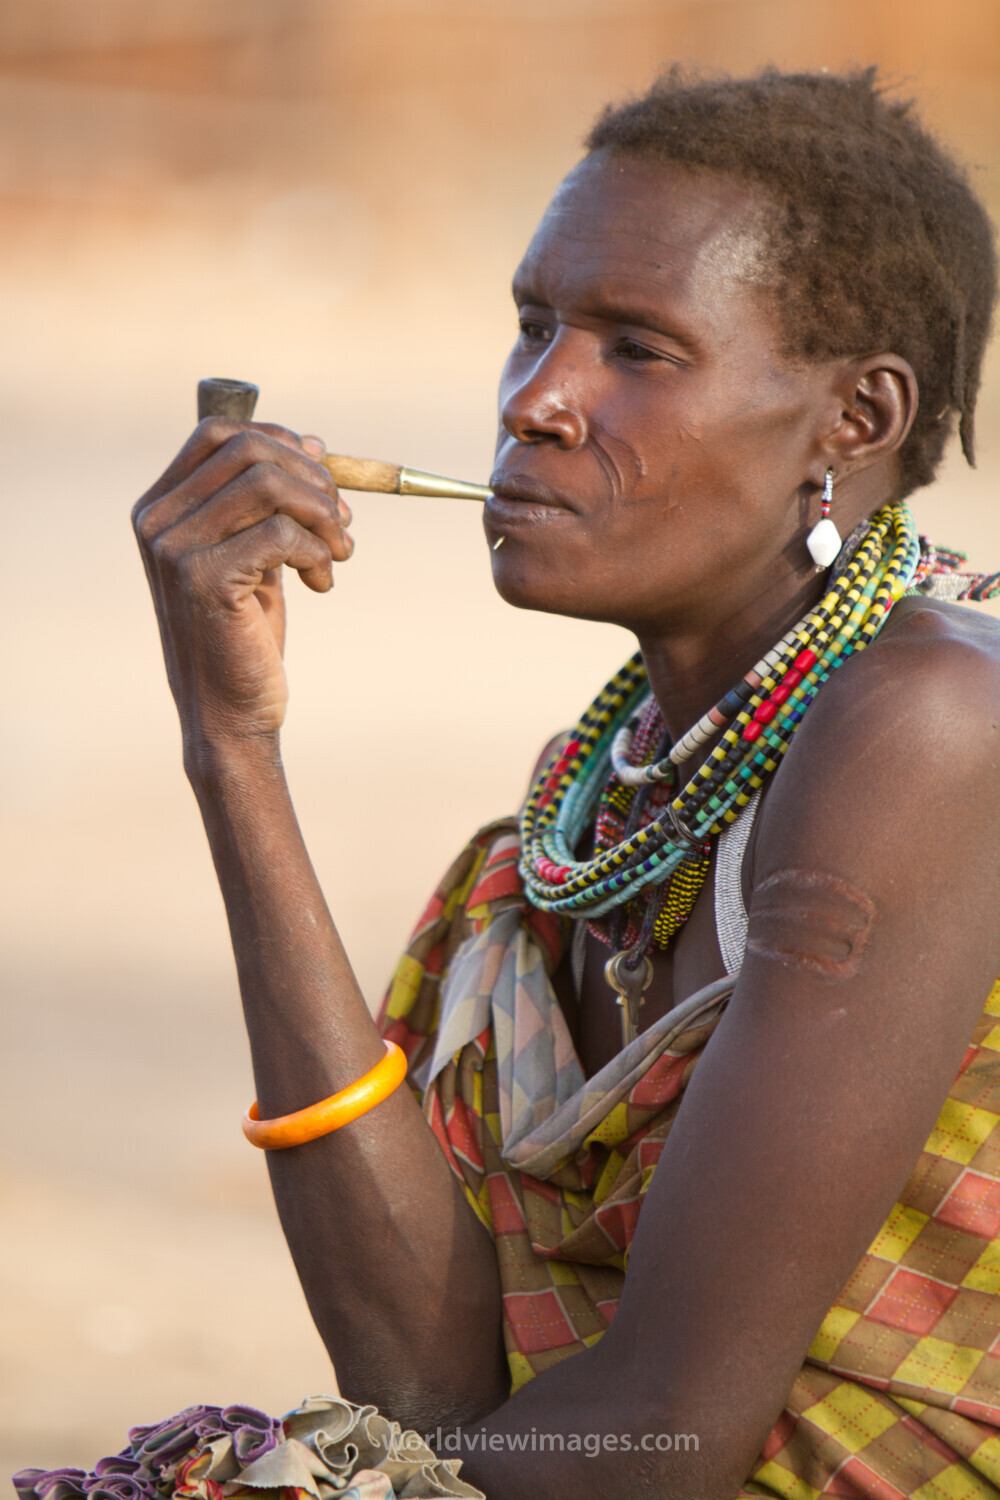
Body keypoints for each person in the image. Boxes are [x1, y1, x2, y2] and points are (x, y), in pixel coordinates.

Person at [17, 65, 1000, 1500]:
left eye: (638, 351)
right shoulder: (584, 821)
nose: (538, 401)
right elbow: (425, 1385)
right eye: (536, 328)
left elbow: (668, 1434)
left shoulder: (931, 727)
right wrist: (233, 750)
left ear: (854, 422)